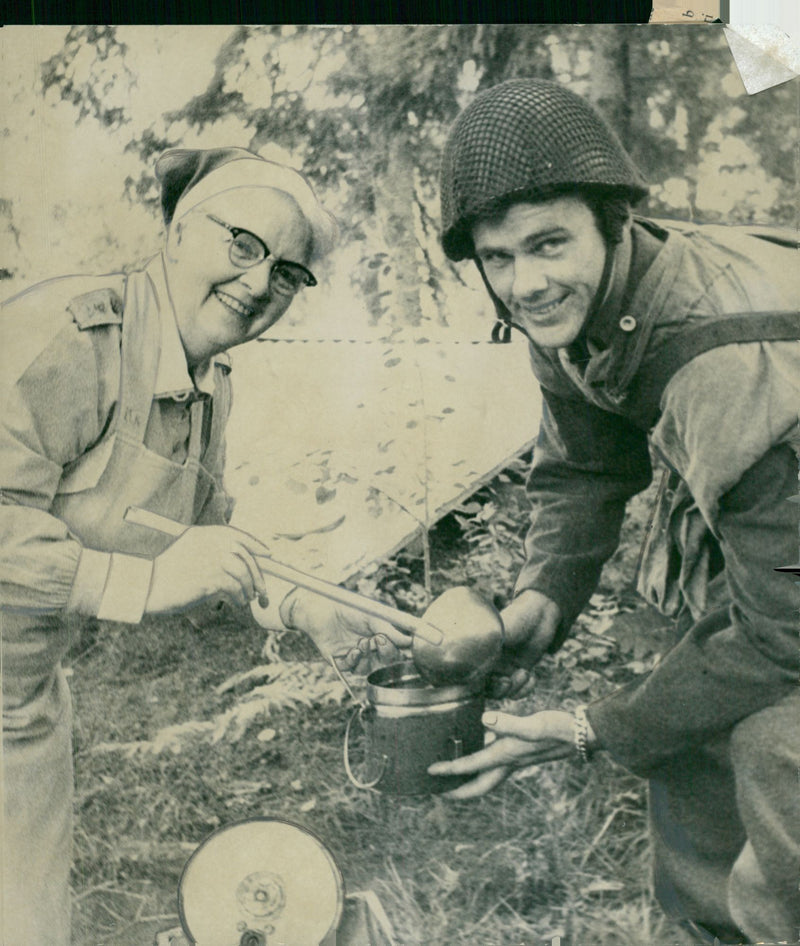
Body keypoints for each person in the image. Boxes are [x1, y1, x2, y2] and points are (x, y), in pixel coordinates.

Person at [416, 78, 800, 945]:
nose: (527, 281)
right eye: (499, 256)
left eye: (549, 243)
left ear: (613, 223)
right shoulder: (576, 306)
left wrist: (593, 728)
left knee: (780, 752)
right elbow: (586, 466)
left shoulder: (722, 354)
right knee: (694, 728)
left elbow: (784, 634)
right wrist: (540, 603)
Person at [0, 147, 404, 946]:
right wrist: (134, 585)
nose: (258, 285)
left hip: (23, 703)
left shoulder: (207, 385)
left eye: (288, 272)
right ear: (179, 232)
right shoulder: (68, 335)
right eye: (243, 245)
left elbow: (198, 539)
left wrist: (302, 604)